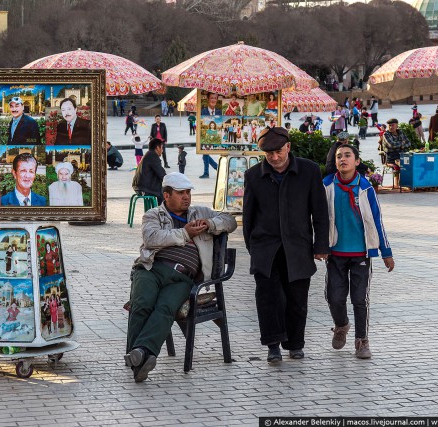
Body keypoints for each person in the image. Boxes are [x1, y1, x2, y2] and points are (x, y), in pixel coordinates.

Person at [125, 172, 237, 382]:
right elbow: (151, 238)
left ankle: (139, 354)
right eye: (180, 193)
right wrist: (185, 234)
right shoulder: (153, 215)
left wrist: (211, 225)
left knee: (166, 307)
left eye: (188, 193)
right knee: (142, 304)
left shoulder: (199, 212)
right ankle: (141, 358)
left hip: (182, 277)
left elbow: (230, 220)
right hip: (151, 269)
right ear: (166, 196)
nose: (186, 197)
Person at [243, 126, 329, 364]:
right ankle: (273, 345)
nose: (274, 157)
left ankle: (295, 344)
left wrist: (321, 245)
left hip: (298, 247)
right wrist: (255, 249)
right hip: (266, 249)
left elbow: (320, 212)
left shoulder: (309, 170)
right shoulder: (253, 176)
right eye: (268, 153)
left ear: (288, 147)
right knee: (268, 299)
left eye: (278, 151)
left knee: (297, 300)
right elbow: (248, 218)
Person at [323, 144, 394, 359]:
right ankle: (341, 324)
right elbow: (316, 218)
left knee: (359, 298)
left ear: (357, 161)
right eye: (338, 156)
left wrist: (386, 252)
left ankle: (362, 341)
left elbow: (376, 221)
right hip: (335, 252)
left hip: (361, 254)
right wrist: (318, 247)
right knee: (334, 296)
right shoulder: (326, 185)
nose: (342, 159)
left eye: (347, 155)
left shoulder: (365, 188)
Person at [132, 138, 166, 205]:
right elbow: (161, 174)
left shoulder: (148, 155)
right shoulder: (153, 156)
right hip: (144, 188)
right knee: (166, 192)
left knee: (164, 190)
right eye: (161, 148)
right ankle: (161, 213)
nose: (162, 150)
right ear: (157, 147)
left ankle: (160, 212)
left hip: (140, 186)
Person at [382, 118, 411, 188]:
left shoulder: (400, 132)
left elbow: (409, 143)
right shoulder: (386, 134)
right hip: (391, 157)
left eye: (392, 125)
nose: (391, 127)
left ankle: (406, 183)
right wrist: (402, 145)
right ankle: (397, 184)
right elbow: (392, 145)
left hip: (401, 155)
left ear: (397, 125)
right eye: (389, 126)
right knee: (400, 165)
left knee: (410, 163)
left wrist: (399, 145)